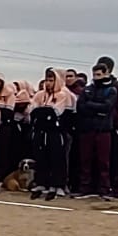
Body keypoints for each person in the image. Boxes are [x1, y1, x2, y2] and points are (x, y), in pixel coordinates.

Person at [74, 58, 118, 199]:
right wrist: (95, 108)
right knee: (85, 160)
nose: (96, 77)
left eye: (99, 74)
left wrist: (91, 105)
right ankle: (85, 187)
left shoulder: (111, 90)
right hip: (87, 129)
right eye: (94, 75)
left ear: (106, 74)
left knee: (103, 161)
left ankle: (104, 188)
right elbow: (81, 106)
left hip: (103, 129)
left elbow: (107, 107)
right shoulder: (88, 89)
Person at [29, 68, 75, 199]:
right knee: (41, 157)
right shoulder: (40, 95)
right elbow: (32, 111)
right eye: (47, 80)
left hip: (56, 132)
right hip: (41, 131)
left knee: (57, 158)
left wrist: (44, 112)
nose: (48, 83)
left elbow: (57, 113)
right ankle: (41, 182)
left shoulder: (63, 95)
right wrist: (44, 113)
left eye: (51, 80)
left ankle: (58, 184)